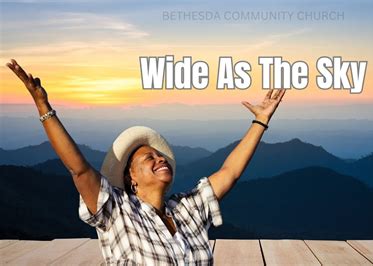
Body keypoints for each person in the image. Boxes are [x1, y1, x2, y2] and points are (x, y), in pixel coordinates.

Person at [6, 59, 286, 265]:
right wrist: (44, 108)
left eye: (160, 155)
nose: (159, 158)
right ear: (131, 178)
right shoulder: (118, 212)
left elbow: (230, 172)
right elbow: (79, 170)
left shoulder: (188, 209)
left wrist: (260, 120)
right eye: (148, 157)